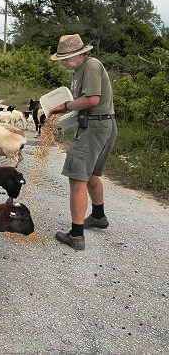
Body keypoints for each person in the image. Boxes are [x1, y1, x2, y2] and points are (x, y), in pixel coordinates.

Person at [48, 34, 118, 251]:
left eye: (66, 58)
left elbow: (92, 100)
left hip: (95, 127)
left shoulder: (92, 66)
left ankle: (76, 235)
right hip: (102, 124)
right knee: (92, 175)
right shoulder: (79, 71)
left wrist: (64, 106)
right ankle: (98, 216)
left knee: (77, 178)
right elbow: (84, 105)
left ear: (79, 54)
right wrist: (61, 121)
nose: (63, 63)